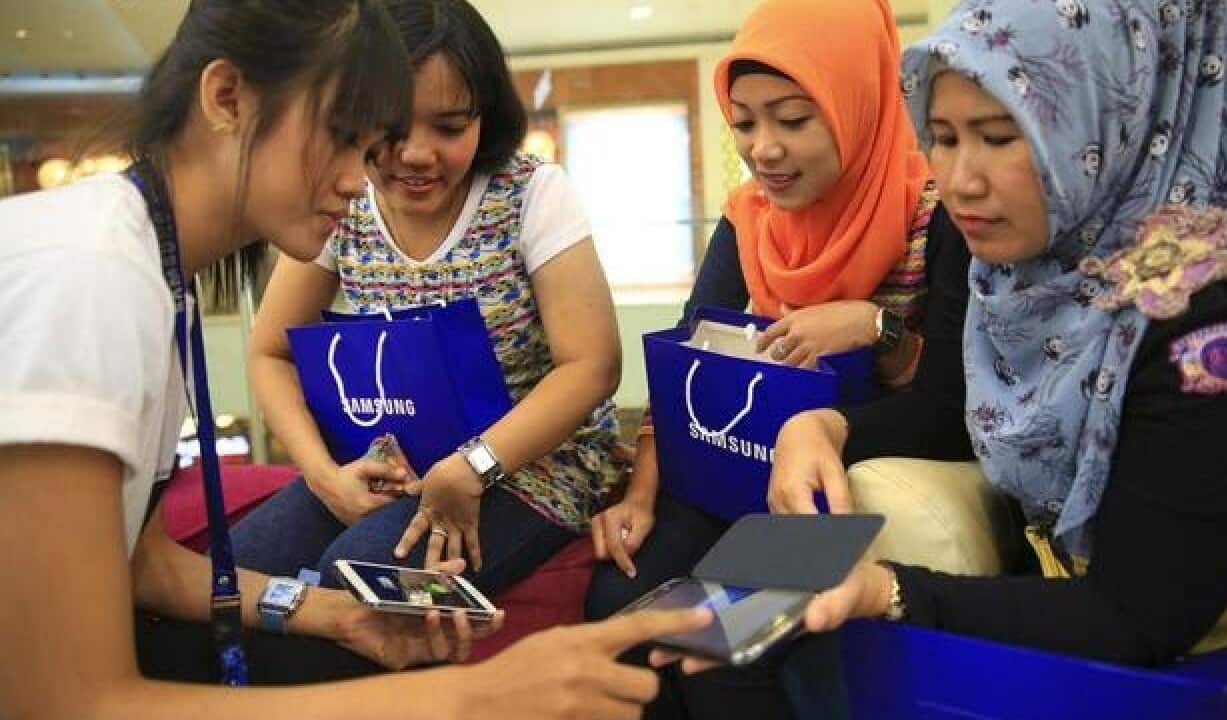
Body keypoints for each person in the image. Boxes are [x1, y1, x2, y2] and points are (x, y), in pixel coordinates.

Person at [0, 1, 708, 716]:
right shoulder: (92, 278)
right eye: (353, 137)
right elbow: (65, 699)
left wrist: (332, 614)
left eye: (436, 128)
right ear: (226, 98)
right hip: (398, 464)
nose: (363, 175)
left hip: (519, 471)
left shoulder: (143, 271)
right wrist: (472, 697)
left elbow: (147, 566)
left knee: (346, 598)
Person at [770, 0, 1227, 667]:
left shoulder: (1216, 312)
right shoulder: (1015, 258)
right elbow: (946, 415)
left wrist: (890, 591)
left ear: (1114, 118)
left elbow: (1142, 618)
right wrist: (821, 426)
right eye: (944, 138)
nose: (960, 182)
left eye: (1000, 136)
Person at [233, 0, 624, 608]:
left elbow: (592, 366)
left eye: (449, 127)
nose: (417, 154)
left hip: (530, 465)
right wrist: (323, 475)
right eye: (391, 129)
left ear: (485, 117)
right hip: (394, 461)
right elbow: (269, 353)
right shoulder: (346, 197)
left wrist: (475, 466)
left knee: (353, 580)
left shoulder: (530, 193)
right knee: (232, 571)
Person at [587, 0, 934, 622]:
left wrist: (874, 328)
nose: (763, 149)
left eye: (794, 119)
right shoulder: (749, 217)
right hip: (745, 460)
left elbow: (955, 406)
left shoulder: (936, 215)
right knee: (619, 600)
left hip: (852, 471)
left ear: (857, 104)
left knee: (747, 636)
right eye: (744, 123)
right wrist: (640, 496)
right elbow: (685, 362)